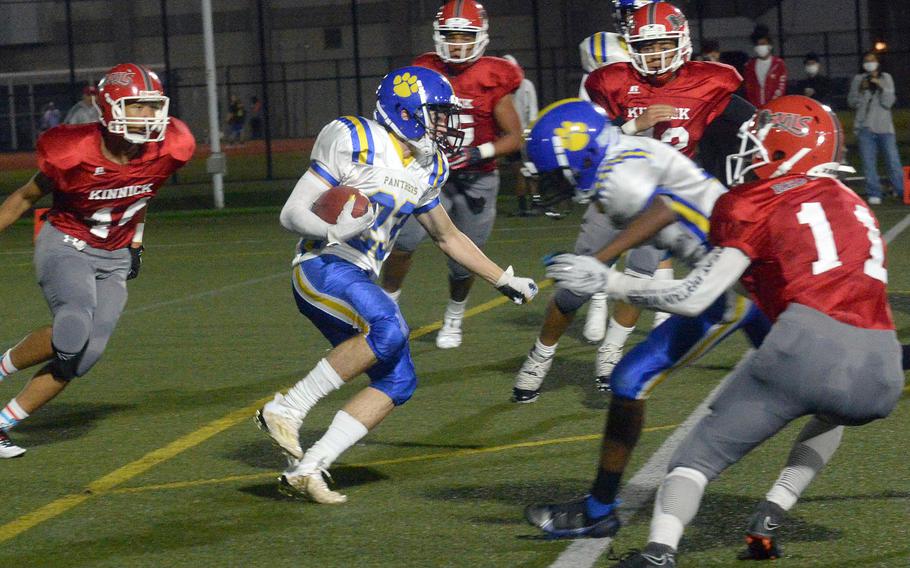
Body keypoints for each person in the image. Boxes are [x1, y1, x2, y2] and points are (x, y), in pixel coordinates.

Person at [544, 95, 903, 567]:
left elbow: (695, 295)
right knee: (831, 411)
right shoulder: (857, 205)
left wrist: (607, 280)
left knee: (694, 460)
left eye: (760, 142)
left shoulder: (756, 200)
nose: (749, 150)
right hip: (882, 365)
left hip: (803, 344)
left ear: (786, 148)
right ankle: (773, 511)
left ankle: (659, 552)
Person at [255, 66, 538, 503]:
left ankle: (309, 468)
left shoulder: (428, 165)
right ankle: (286, 408)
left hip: (359, 278)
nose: (447, 125)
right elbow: (291, 214)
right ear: (406, 111)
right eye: (438, 114)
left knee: (399, 380)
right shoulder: (354, 138)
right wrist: (337, 230)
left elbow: (448, 236)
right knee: (390, 328)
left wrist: (502, 278)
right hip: (322, 265)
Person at [519, 98, 770, 539]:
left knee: (630, 379)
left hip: (738, 283)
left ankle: (599, 511)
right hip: (740, 276)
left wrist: (600, 264)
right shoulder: (627, 156)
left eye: (559, 171)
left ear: (583, 154)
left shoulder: (622, 176)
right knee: (821, 378)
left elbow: (668, 209)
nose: (556, 183)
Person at [513, 1, 749, 402]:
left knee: (638, 282)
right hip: (612, 191)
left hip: (663, 201)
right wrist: (631, 126)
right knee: (577, 283)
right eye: (646, 47)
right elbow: (586, 136)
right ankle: (540, 355)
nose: (655, 56)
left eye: (663, 45)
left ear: (682, 42)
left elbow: (748, 123)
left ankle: (610, 355)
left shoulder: (711, 81)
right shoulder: (612, 81)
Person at [0, 63, 195, 458]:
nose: (149, 116)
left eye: (153, 107)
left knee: (85, 357)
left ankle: (3, 423)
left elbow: (138, 196)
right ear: (110, 108)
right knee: (73, 328)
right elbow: (23, 198)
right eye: (137, 107)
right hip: (66, 243)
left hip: (115, 256)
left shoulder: (170, 147)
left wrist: (136, 243)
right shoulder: (74, 152)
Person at [379, 0, 525, 350]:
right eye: (450, 35)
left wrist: (478, 152)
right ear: (438, 36)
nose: (458, 44)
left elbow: (515, 138)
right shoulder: (424, 69)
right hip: (430, 173)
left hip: (477, 178)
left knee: (463, 259)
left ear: (481, 37)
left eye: (465, 36)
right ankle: (386, 309)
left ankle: (455, 315)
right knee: (404, 242)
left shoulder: (494, 75)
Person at [848, 51, 905, 205]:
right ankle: (874, 192)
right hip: (865, 127)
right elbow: (852, 102)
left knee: (893, 161)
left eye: (872, 60)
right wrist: (860, 90)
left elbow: (889, 102)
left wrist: (880, 86)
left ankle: (901, 191)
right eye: (866, 60)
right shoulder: (858, 79)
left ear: (878, 62)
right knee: (868, 163)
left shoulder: (886, 78)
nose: (869, 63)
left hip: (885, 127)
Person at [501, 54, 544, 218]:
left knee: (526, 172)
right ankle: (528, 206)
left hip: (521, 136)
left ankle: (531, 205)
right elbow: (531, 112)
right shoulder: (516, 87)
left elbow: (532, 113)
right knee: (522, 172)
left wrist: (526, 134)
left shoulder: (522, 86)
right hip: (518, 136)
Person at [744, 25, 787, 107]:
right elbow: (748, 88)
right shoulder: (750, 66)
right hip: (754, 108)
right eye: (758, 44)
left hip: (774, 107)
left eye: (763, 44)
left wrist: (772, 104)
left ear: (769, 46)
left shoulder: (778, 64)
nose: (760, 47)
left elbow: (781, 87)